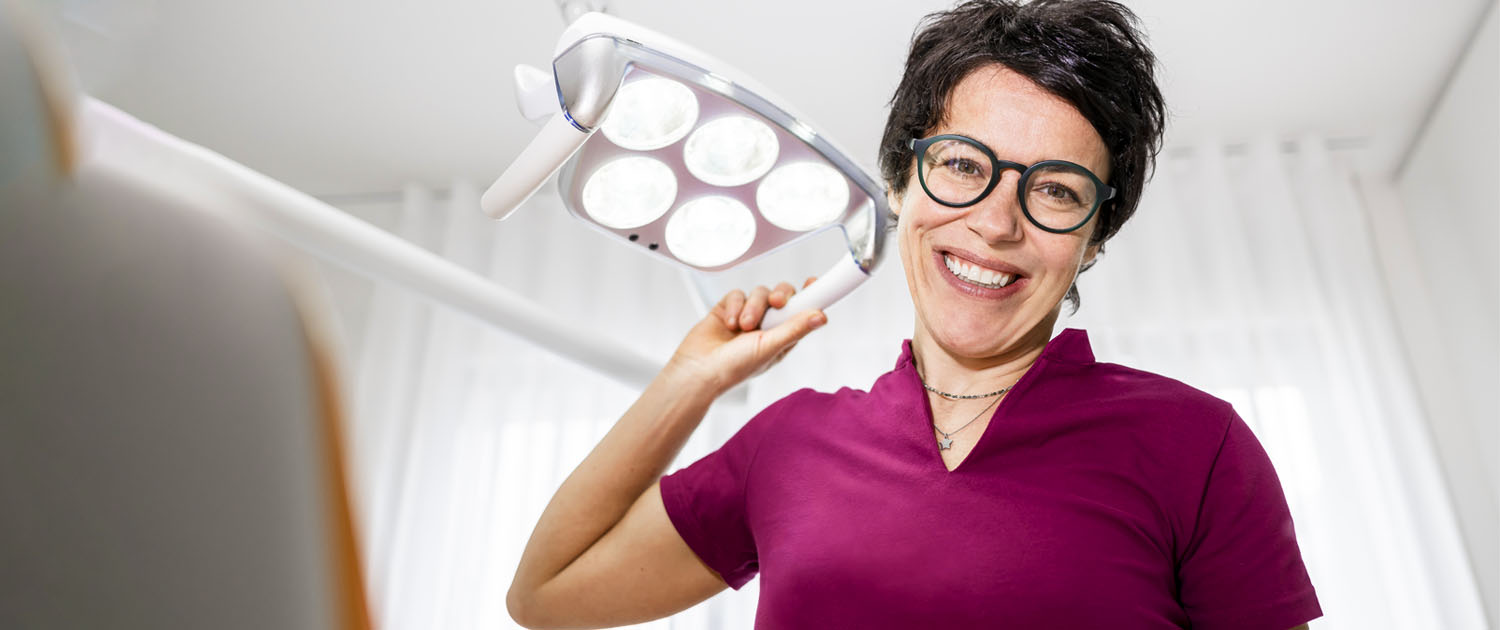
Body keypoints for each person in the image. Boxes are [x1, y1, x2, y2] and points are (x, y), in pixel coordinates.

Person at [506, 1, 1322, 628]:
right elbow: (547, 594)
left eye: (1055, 190)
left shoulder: (1194, 445)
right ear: (899, 185)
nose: (996, 224)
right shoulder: (789, 444)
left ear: (1094, 241)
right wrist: (690, 380)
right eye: (963, 165)